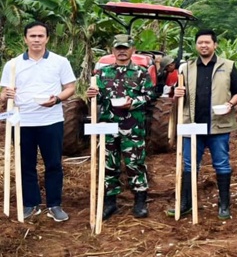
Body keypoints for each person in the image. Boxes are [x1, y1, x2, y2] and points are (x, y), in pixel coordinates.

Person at [0, 21, 76, 222]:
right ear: (25, 38)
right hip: (22, 122)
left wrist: (57, 99)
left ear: (47, 38)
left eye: (40, 36)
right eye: (32, 36)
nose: (36, 40)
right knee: (26, 165)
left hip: (51, 121)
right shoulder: (13, 64)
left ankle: (54, 205)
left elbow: (70, 87)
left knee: (53, 165)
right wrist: (5, 94)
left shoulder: (60, 62)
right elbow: (3, 94)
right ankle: (31, 204)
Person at [167, 30, 237, 220]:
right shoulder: (186, 68)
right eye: (200, 42)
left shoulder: (228, 66)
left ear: (215, 45)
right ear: (196, 45)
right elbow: (176, 93)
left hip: (219, 125)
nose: (203, 46)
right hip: (192, 125)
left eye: (207, 42)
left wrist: (230, 104)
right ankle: (186, 203)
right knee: (189, 164)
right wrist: (177, 93)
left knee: (222, 164)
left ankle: (224, 205)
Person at [86, 34, 156, 220]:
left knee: (135, 163)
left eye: (125, 48)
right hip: (108, 125)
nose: (122, 51)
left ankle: (140, 201)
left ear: (132, 50)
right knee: (109, 164)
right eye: (118, 48)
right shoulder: (102, 73)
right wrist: (91, 94)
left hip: (132, 126)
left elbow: (150, 95)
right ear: (112, 50)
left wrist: (133, 102)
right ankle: (110, 203)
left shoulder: (141, 73)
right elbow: (97, 98)